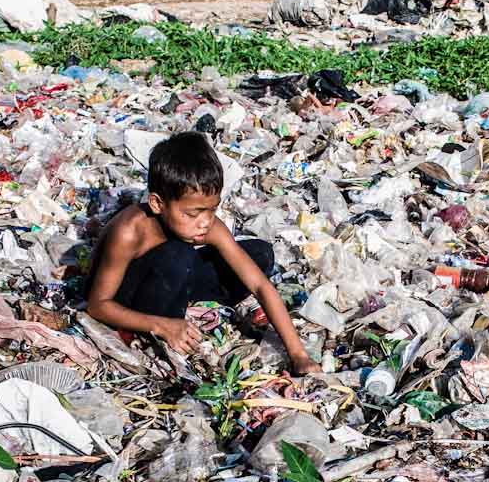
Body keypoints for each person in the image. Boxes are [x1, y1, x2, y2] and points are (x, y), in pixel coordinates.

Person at [86, 131, 321, 375]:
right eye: (193, 213)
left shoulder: (206, 225)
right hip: (129, 301)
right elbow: (97, 305)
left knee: (260, 254)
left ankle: (182, 308)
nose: (205, 222)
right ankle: (167, 330)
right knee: (179, 255)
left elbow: (260, 285)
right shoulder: (130, 231)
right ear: (157, 204)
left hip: (172, 277)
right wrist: (162, 325)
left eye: (212, 210)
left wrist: (298, 354)